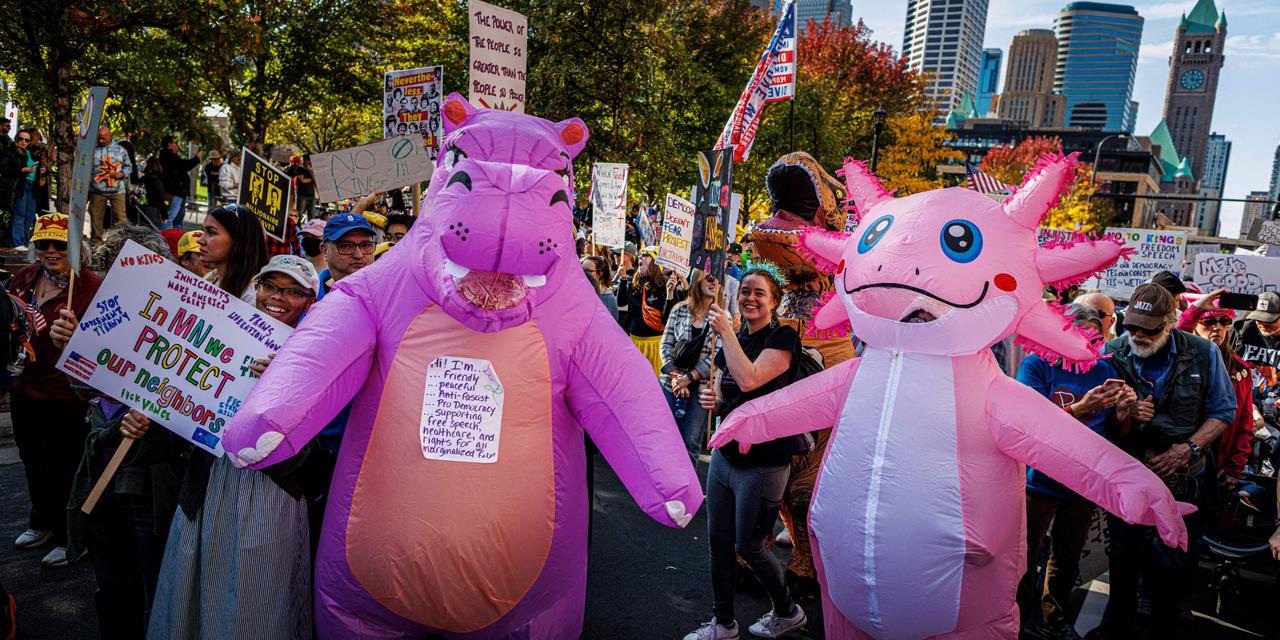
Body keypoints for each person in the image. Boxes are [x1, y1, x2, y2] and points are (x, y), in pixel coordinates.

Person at [146, 254, 319, 640]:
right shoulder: (221, 335)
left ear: (309, 301)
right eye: (271, 286)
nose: (278, 297)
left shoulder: (314, 356)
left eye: (293, 292)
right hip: (205, 486)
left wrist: (278, 390)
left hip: (269, 493)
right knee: (193, 587)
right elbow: (181, 421)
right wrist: (149, 414)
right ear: (256, 286)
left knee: (257, 599)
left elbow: (305, 456)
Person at [51, 225, 186, 638]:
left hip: (152, 479)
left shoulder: (190, 322)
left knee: (159, 583)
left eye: (133, 270)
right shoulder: (103, 317)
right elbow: (87, 392)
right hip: (103, 465)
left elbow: (198, 405)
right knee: (112, 582)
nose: (121, 281)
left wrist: (155, 420)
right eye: (114, 272)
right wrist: (70, 350)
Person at [1093, 283, 1234, 639]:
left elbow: (1223, 411)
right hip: (1129, 478)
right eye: (1132, 326)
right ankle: (1116, 629)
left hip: (1184, 479)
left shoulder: (1203, 353)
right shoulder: (1112, 352)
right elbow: (1103, 424)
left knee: (1172, 567)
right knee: (1123, 561)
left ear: (1169, 323)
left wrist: (1188, 447)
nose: (1138, 334)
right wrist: (1124, 414)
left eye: (1149, 328)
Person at [686, 265, 806, 640]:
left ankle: (788, 611)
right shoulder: (735, 338)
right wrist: (713, 398)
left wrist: (725, 334)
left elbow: (751, 377)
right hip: (725, 456)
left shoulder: (784, 337)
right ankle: (723, 624)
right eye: (746, 292)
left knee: (751, 547)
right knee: (718, 544)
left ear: (774, 302)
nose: (750, 298)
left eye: (759, 293)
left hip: (764, 464)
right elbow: (728, 393)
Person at [1015, 304, 1137, 640]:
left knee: (1067, 556)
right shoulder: (1038, 363)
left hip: (1082, 480)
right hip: (1037, 478)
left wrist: (1122, 413)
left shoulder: (1103, 368)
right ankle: (1020, 615)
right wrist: (1083, 408)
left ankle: (1054, 614)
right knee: (1024, 552)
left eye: (1093, 333)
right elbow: (1030, 422)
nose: (1087, 340)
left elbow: (1114, 431)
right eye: (1079, 331)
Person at [8, 214, 103, 567]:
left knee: (66, 466)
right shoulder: (25, 277)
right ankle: (42, 522)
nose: (49, 251)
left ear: (76, 247)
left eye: (59, 244)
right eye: (42, 244)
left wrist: (78, 339)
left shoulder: (92, 288)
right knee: (32, 459)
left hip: (66, 395)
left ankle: (72, 537)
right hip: (24, 386)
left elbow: (103, 350)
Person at [1179, 290, 1255, 489]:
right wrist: (1193, 311)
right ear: (1195, 325)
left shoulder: (1241, 369)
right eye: (1209, 322)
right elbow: (1177, 336)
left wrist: (1234, 467)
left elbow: (1245, 421)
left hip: (1218, 460)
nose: (1217, 327)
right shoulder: (1181, 358)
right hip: (1182, 456)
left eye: (1224, 321)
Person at [661, 269, 721, 463]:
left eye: (718, 280)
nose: (714, 283)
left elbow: (716, 357)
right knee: (665, 440)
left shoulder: (722, 317)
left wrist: (688, 378)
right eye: (710, 278)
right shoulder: (679, 309)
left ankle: (688, 492)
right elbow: (665, 345)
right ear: (697, 280)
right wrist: (675, 376)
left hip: (702, 389)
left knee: (690, 442)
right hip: (671, 385)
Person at [196, 204, 269, 304]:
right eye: (203, 231)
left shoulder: (252, 295)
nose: (200, 240)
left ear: (239, 240)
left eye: (211, 232)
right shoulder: (212, 278)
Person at [617, 248, 670, 375]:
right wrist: (623, 280)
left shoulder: (665, 287)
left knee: (654, 386)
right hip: (635, 344)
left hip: (655, 345)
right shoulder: (635, 284)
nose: (640, 257)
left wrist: (672, 294)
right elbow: (622, 304)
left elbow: (666, 319)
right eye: (640, 255)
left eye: (645, 255)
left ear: (655, 262)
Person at [88, 126, 133, 244]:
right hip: (97, 190)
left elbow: (129, 167)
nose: (100, 141)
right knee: (96, 218)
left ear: (110, 136)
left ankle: (121, 242)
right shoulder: (93, 150)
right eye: (99, 138)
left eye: (103, 138)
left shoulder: (120, 150)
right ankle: (96, 243)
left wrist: (121, 174)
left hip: (117, 191)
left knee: (121, 219)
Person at [317, 212, 376, 300]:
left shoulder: (389, 294)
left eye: (366, 245)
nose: (359, 255)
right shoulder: (306, 297)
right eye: (346, 246)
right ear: (325, 250)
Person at [158, 135, 201, 229]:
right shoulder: (167, 156)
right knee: (169, 219)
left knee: (178, 220)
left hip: (179, 193)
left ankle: (178, 239)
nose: (177, 145)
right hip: (173, 193)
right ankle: (167, 240)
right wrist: (196, 158)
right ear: (169, 145)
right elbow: (184, 165)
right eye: (175, 143)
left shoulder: (172, 157)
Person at [8, 129, 39, 249]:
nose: (23, 142)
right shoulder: (12, 152)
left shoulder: (30, 153)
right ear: (16, 140)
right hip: (21, 184)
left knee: (30, 215)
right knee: (20, 213)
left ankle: (24, 240)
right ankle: (17, 242)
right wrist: (22, 170)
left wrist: (42, 170)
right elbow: (5, 169)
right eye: (21, 139)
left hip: (32, 186)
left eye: (27, 140)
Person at [138, 157, 168, 228]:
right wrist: (165, 216)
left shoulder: (142, 179)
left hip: (141, 209)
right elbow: (160, 199)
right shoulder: (156, 181)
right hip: (154, 210)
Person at [286, 155, 316, 219]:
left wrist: (310, 170)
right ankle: (297, 228)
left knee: (312, 215)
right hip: (302, 195)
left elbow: (316, 179)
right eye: (305, 160)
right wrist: (312, 179)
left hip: (312, 195)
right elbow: (303, 180)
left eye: (308, 160)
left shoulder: (311, 170)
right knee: (299, 214)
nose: (307, 162)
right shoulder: (299, 169)